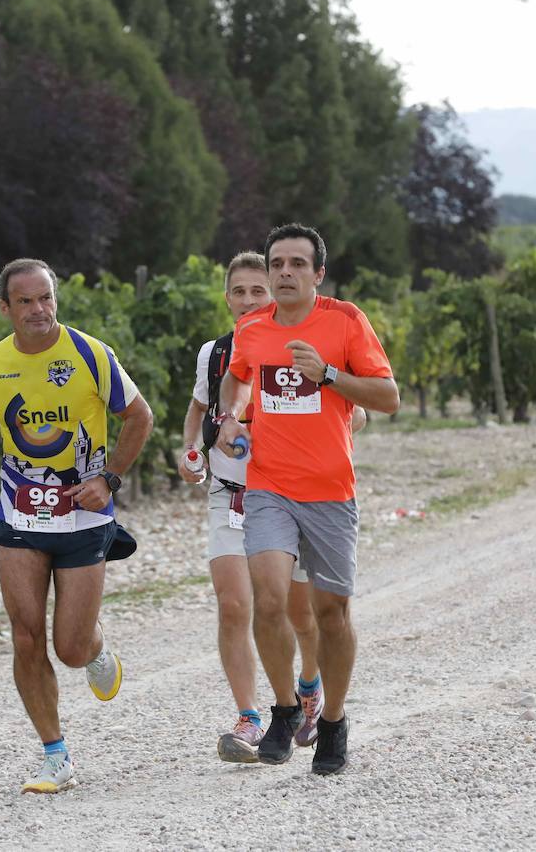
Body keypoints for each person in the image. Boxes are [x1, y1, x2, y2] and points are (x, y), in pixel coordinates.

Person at [0, 258, 153, 795]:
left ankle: (96, 649)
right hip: (19, 510)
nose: (39, 310)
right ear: (5, 308)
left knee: (69, 646)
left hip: (83, 513)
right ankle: (55, 754)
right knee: (24, 634)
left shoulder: (90, 354)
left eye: (46, 298)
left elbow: (140, 417)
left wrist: (108, 478)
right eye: (26, 301)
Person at [218, 224, 399, 776]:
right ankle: (283, 708)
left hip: (330, 491)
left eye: (298, 263)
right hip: (269, 485)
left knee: (331, 615)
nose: (285, 273)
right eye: (277, 264)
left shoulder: (345, 321)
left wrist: (328, 376)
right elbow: (236, 379)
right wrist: (230, 415)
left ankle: (335, 721)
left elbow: (388, 397)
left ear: (318, 273)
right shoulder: (252, 328)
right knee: (268, 600)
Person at [179, 252, 368, 764]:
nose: (248, 301)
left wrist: (319, 428)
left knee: (308, 613)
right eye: (238, 292)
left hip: (310, 492)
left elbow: (359, 412)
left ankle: (311, 692)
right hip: (235, 493)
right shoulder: (217, 354)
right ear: (226, 298)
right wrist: (196, 448)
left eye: (256, 291)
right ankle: (254, 716)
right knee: (244, 604)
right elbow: (203, 410)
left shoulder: (319, 331)